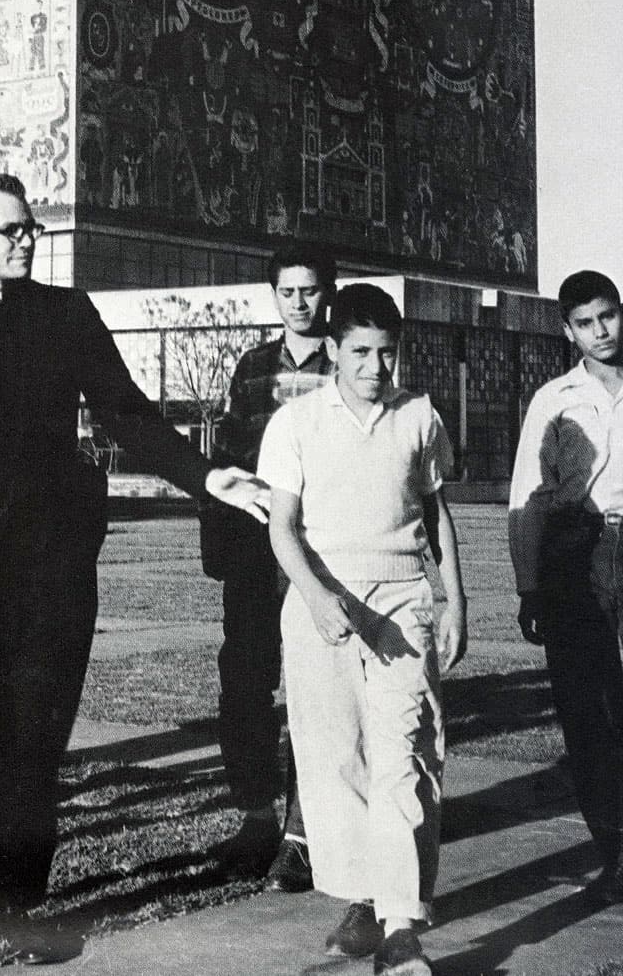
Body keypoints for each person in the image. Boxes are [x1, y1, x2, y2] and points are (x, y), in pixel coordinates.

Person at [0, 172, 266, 964]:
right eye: (8, 230)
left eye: (29, 230)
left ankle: (20, 901)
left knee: (35, 731)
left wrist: (203, 475)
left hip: (49, 564)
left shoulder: (67, 316)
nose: (23, 241)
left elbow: (125, 410)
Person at [262, 283, 466, 976]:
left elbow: (437, 517)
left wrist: (455, 602)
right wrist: (317, 598)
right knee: (335, 757)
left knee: (406, 752)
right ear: (331, 350)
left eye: (386, 353)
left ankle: (403, 923)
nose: (375, 368)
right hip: (324, 601)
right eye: (360, 353)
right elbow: (282, 528)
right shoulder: (295, 424)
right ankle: (361, 902)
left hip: (403, 597)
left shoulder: (419, 417)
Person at [202, 241, 335, 891]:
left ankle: (302, 835)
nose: (299, 302)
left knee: (316, 693)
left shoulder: (351, 358)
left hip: (320, 550)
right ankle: (257, 816)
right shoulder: (252, 366)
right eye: (288, 291)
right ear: (274, 295)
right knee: (245, 684)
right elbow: (227, 454)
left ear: (327, 291)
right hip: (256, 552)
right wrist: (220, 547)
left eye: (309, 289)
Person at [508, 269, 623, 901]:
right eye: (586, 322)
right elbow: (528, 497)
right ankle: (614, 852)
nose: (601, 332)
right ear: (567, 329)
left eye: (609, 315)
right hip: (577, 555)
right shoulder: (554, 399)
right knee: (588, 711)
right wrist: (529, 587)